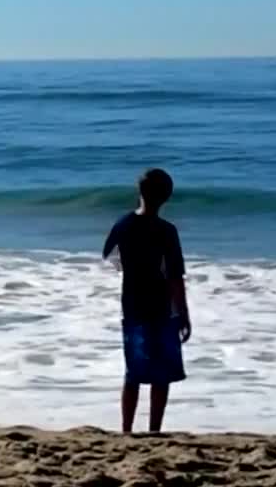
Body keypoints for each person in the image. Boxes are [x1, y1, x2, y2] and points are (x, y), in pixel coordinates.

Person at [102, 168, 191, 433]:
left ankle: (126, 429)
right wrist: (183, 313)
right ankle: (154, 429)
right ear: (167, 197)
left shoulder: (123, 224)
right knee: (161, 374)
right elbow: (175, 276)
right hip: (162, 305)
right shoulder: (166, 231)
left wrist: (128, 271)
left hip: (132, 303)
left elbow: (109, 255)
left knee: (133, 372)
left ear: (139, 192)